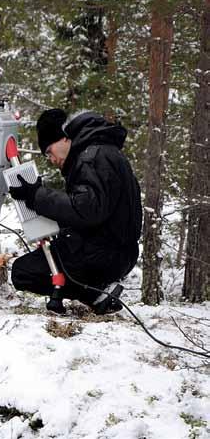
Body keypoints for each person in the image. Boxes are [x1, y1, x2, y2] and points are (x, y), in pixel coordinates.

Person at [8, 109, 142, 314]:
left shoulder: (92, 158)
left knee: (23, 272)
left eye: (49, 151)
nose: (50, 158)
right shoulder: (99, 152)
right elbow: (94, 210)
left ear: (63, 139)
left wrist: (37, 196)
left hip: (104, 254)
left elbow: (87, 210)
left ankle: (96, 293)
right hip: (111, 250)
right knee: (32, 266)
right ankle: (97, 293)